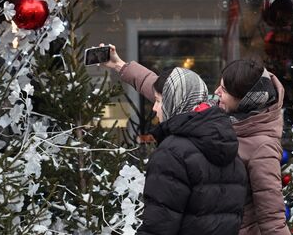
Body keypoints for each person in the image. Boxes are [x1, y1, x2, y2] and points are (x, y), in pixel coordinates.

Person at [102, 45, 248, 235]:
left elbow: (158, 227)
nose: (154, 108)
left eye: (159, 100)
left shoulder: (172, 154)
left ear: (174, 102)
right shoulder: (230, 148)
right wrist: (120, 65)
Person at [214, 59, 290, 235]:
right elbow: (171, 93)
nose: (216, 92)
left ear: (244, 101)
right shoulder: (226, 118)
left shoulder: (262, 147)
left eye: (224, 90)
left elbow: (272, 218)